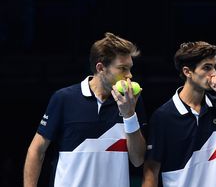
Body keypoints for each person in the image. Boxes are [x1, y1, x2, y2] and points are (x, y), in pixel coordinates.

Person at [23, 32, 147, 187]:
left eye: (130, 68)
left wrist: (129, 115)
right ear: (101, 68)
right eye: (123, 68)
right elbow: (36, 150)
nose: (129, 75)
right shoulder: (64, 99)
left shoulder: (132, 101)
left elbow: (137, 160)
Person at [142, 41, 216, 187]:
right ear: (187, 72)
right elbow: (151, 172)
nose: (214, 74)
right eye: (207, 68)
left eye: (214, 67)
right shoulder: (163, 117)